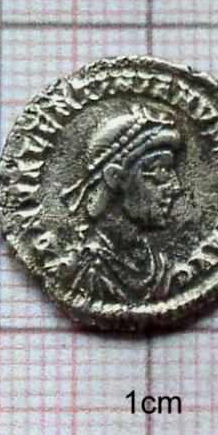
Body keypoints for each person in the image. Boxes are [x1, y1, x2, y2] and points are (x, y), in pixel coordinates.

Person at [58, 104, 183, 304]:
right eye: (161, 172)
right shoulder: (86, 273)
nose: (176, 187)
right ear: (116, 177)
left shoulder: (160, 266)